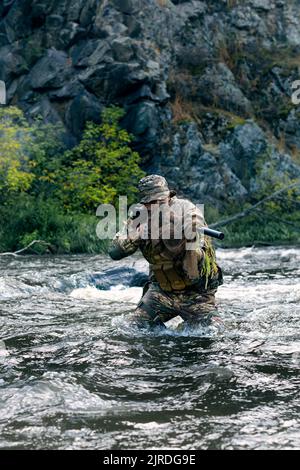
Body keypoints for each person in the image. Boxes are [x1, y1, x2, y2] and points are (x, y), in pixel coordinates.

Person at [108, 175, 223, 328]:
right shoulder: (138, 217)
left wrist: (180, 228)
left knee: (211, 331)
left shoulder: (186, 208)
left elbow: (197, 230)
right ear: (144, 203)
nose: (157, 205)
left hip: (196, 294)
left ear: (169, 196)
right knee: (131, 328)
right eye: (151, 202)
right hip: (161, 292)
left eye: (160, 201)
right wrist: (134, 236)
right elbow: (114, 252)